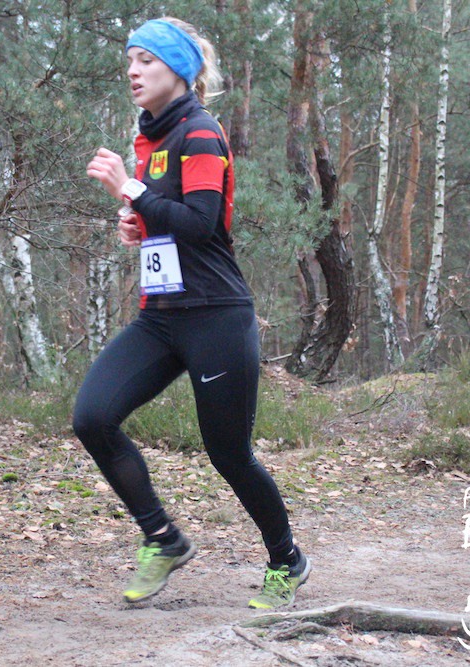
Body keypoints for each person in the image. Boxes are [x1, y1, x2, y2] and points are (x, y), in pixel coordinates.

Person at [74, 16, 310, 608]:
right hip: (161, 317)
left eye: (146, 60)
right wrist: (139, 226)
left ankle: (287, 560)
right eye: (129, 61)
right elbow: (170, 219)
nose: (132, 72)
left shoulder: (200, 133)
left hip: (216, 315)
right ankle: (163, 538)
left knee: (229, 454)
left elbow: (203, 225)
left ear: (178, 68)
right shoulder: (149, 140)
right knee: (93, 417)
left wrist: (130, 191)